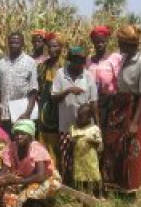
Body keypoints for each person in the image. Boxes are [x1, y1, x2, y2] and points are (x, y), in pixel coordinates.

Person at [104, 25, 141, 194]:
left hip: (134, 107)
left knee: (132, 147)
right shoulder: (123, 57)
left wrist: (134, 122)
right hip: (119, 105)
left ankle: (130, 187)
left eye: (121, 42)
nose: (119, 45)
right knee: (115, 145)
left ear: (129, 43)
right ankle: (114, 184)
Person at [51, 46, 98, 182]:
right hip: (66, 125)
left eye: (81, 61)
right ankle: (67, 184)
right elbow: (54, 98)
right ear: (70, 60)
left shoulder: (88, 76)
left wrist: (97, 125)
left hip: (85, 128)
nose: (79, 64)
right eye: (76, 61)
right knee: (66, 156)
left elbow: (94, 102)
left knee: (84, 158)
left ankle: (83, 185)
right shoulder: (60, 74)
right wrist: (68, 90)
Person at [0, 120, 62, 207]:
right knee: (6, 197)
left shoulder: (37, 149)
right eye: (17, 133)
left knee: (32, 192)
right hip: (24, 178)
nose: (19, 136)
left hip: (46, 178)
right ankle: (30, 204)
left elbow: (40, 176)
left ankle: (47, 203)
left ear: (30, 136)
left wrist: (18, 181)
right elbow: (3, 171)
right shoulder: (11, 147)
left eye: (23, 134)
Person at [0, 32, 38, 133]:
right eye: (11, 42)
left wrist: (27, 112)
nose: (13, 45)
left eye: (16, 42)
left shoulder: (30, 62)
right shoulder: (1, 63)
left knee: (22, 143)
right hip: (5, 114)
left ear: (22, 44)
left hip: (22, 113)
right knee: (7, 144)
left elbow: (33, 90)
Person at [87, 25, 122, 132]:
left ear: (107, 41)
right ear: (93, 42)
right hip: (91, 103)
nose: (100, 44)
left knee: (109, 133)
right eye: (97, 42)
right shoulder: (88, 61)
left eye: (103, 41)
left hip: (110, 103)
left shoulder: (115, 59)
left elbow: (120, 83)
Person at [37, 32, 65, 164]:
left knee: (59, 141)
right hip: (45, 108)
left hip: (62, 107)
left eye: (55, 46)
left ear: (61, 47)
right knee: (44, 139)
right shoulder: (43, 66)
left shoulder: (66, 65)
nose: (52, 49)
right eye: (50, 47)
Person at [68, 104, 103, 197]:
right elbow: (71, 143)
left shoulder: (94, 129)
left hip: (91, 158)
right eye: (78, 116)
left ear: (89, 117)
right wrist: (72, 141)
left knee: (94, 174)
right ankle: (82, 194)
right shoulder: (74, 129)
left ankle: (98, 194)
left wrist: (93, 142)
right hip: (79, 158)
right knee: (80, 175)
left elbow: (100, 145)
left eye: (81, 116)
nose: (79, 118)